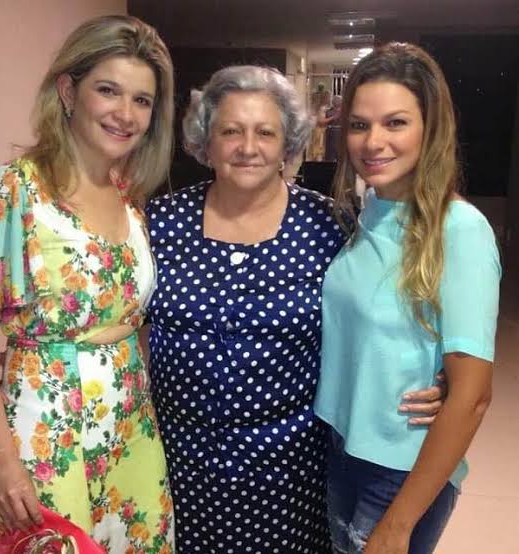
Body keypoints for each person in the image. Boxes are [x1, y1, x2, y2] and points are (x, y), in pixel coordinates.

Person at [145, 64, 445, 554]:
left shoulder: (331, 225)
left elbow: (379, 310)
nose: (248, 147)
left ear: (288, 143)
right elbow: (120, 315)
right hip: (177, 462)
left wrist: (437, 373)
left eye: (266, 132)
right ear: (205, 140)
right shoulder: (159, 223)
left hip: (291, 471)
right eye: (230, 131)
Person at [0, 15, 175, 553]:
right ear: (67, 91)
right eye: (108, 90)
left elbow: (131, 323)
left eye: (142, 100)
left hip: (130, 433)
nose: (126, 113)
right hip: (46, 437)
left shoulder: (129, 197)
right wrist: (5, 463)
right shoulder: (14, 190)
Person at [314, 42, 501, 554]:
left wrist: (398, 525)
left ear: (430, 128)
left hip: (401, 469)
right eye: (359, 125)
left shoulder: (459, 229)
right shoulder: (365, 214)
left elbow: (473, 396)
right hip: (342, 448)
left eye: (395, 123)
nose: (373, 142)